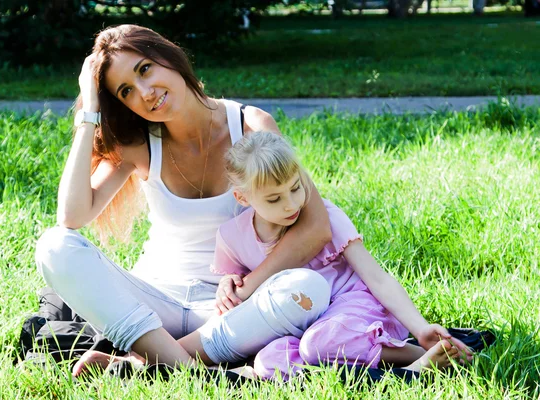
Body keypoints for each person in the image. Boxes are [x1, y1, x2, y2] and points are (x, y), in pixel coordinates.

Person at [34, 24, 334, 375]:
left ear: (168, 56)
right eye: (126, 91)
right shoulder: (139, 146)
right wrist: (88, 113)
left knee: (309, 289)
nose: (145, 93)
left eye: (145, 69)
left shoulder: (250, 125)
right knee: (54, 246)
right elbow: (72, 216)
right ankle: (186, 369)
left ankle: (147, 361)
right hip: (153, 307)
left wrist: (246, 289)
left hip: (233, 308)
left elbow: (315, 227)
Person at [210, 132, 473, 380]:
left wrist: (421, 328)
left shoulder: (324, 217)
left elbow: (377, 278)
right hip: (302, 324)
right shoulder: (232, 237)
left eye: (295, 187)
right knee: (269, 361)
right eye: (274, 199)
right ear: (242, 198)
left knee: (320, 342)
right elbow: (236, 287)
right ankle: (346, 370)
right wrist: (229, 283)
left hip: (354, 308)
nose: (291, 204)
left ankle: (421, 358)